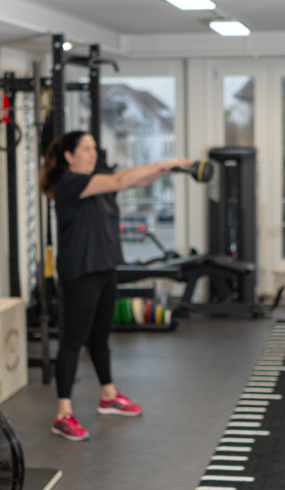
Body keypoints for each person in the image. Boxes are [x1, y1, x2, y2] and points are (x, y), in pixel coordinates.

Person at [40, 131, 189, 441]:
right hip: (79, 272)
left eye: (94, 148)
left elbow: (135, 181)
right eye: (85, 148)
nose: (92, 153)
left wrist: (166, 170)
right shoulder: (69, 183)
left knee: (99, 337)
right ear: (69, 156)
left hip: (104, 268)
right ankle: (62, 414)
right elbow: (121, 180)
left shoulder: (100, 184)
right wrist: (168, 161)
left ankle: (108, 396)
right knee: (72, 340)